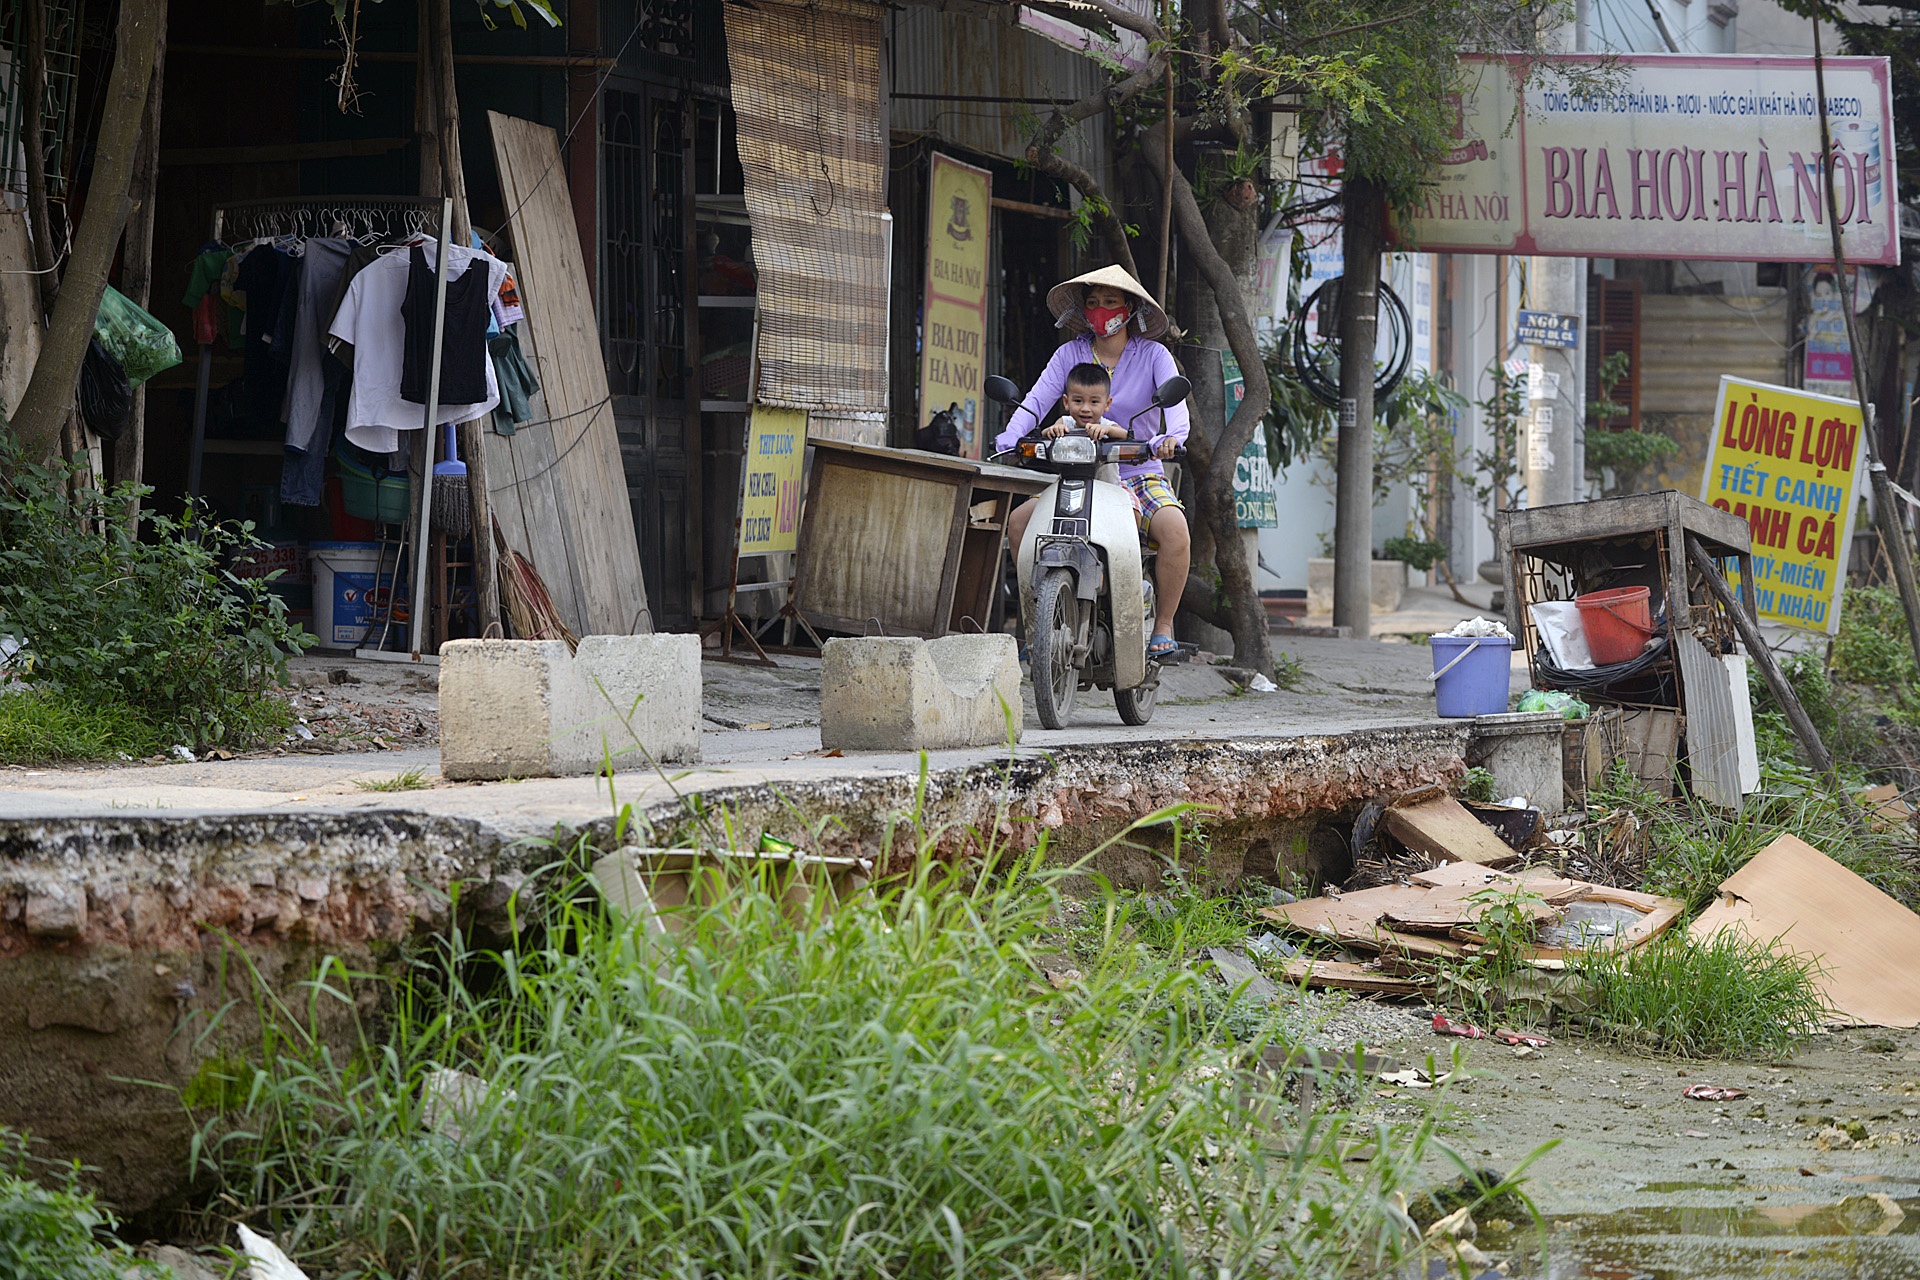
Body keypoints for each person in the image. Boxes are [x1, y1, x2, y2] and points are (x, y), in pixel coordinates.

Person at [998, 265, 1191, 659]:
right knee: (1019, 523)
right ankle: (1038, 626)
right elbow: (1035, 401)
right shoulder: (1068, 353)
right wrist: (1009, 439)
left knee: (1176, 532)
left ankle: (1163, 627)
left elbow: (1178, 415)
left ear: (1130, 307)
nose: (1100, 309)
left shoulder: (1155, 355)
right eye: (1092, 302)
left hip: (1138, 472)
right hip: (1077, 473)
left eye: (1109, 301)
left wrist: (1169, 440)